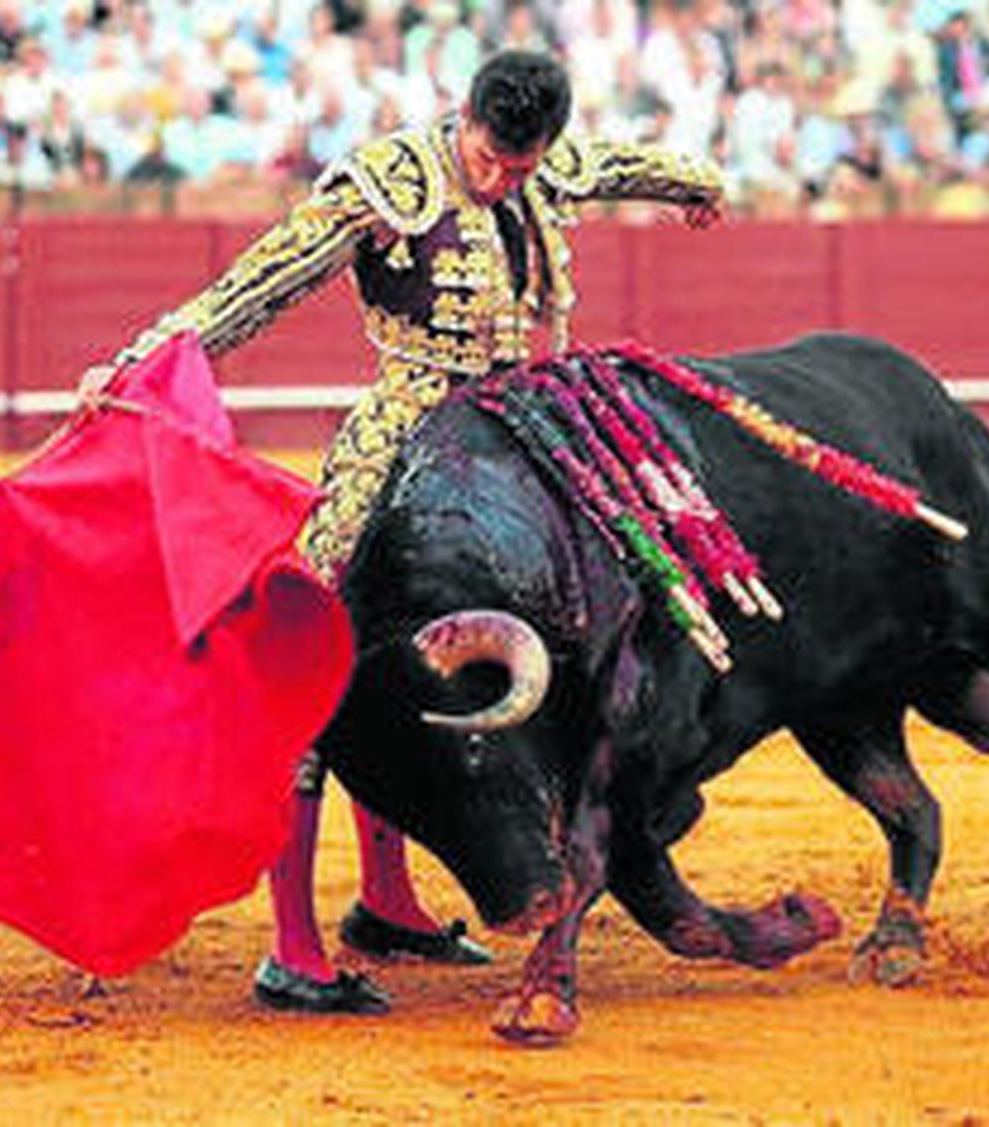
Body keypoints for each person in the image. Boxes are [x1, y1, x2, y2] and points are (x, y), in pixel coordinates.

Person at [90, 49, 724, 1014]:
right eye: (492, 157)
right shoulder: (389, 182)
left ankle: (390, 898)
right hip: (406, 436)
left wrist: (699, 186)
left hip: (526, 427)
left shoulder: (546, 163)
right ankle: (292, 948)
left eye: (522, 165)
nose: (504, 177)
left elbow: (618, 166)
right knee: (315, 659)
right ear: (463, 116)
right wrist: (144, 357)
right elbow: (261, 283)